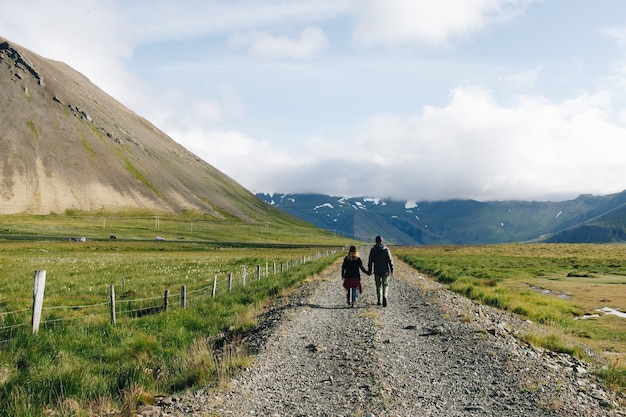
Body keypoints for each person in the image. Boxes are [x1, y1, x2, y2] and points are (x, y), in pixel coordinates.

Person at [368, 235, 394, 307]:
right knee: (385, 284)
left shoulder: (373, 250)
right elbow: (390, 260)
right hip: (385, 271)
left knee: (378, 286)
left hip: (377, 271)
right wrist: (392, 269)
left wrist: (370, 270)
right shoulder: (386, 249)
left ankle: (379, 300)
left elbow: (370, 261)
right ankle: (384, 296)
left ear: (376, 241)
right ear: (382, 241)